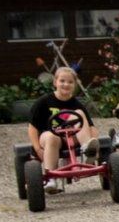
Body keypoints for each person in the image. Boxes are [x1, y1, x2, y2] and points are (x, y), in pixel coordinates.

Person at [27, 66, 99, 194]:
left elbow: (90, 126)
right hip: (51, 138)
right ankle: (51, 178)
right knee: (51, 137)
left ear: (75, 85)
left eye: (70, 82)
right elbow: (32, 128)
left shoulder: (77, 104)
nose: (66, 84)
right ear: (55, 82)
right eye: (62, 81)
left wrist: (95, 142)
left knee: (79, 113)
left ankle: (88, 150)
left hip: (71, 137)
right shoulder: (44, 102)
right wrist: (37, 148)